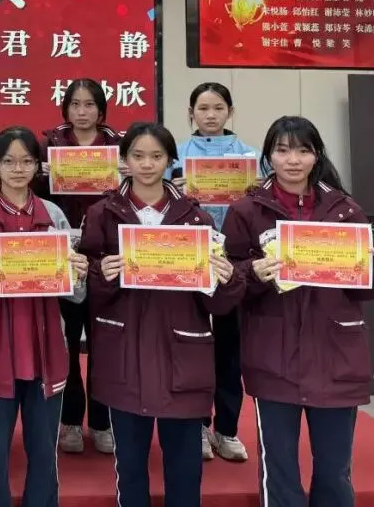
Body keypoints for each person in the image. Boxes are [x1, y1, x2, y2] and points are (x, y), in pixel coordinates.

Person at [221, 116, 374, 507]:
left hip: (337, 354)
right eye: (282, 150)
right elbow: (228, 279)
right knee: (280, 469)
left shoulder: (345, 210)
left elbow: (363, 286)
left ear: (317, 155)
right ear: (268, 156)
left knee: (335, 470)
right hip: (273, 354)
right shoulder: (246, 211)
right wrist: (251, 272)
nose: (293, 160)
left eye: (303, 150)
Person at [77, 122, 244, 507]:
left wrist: (224, 279)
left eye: (156, 156)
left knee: (185, 469)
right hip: (124, 354)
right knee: (131, 468)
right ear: (125, 160)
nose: (147, 164)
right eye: (138, 156)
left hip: (183, 356)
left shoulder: (197, 218)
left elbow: (217, 304)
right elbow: (87, 286)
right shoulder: (102, 213)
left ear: (171, 160)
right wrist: (101, 273)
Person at [0, 126, 89, 507]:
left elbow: (76, 294)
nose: (18, 169)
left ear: (37, 166)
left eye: (27, 161)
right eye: (9, 162)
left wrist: (78, 274)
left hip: (45, 347)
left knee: (44, 451)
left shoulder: (53, 214)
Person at [169, 82, 258, 462]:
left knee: (229, 350)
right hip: (187, 261)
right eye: (202, 108)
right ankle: (196, 427)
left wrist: (255, 191)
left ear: (230, 112)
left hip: (231, 264)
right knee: (191, 348)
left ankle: (227, 429)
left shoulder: (251, 158)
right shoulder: (175, 156)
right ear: (191, 113)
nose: (210, 115)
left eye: (218, 108)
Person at [40, 78, 118, 454]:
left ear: (101, 110)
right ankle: (70, 420)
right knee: (66, 342)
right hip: (63, 255)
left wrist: (124, 174)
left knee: (105, 344)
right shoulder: (49, 144)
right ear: (66, 108)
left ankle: (102, 422)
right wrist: (40, 175)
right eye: (75, 104)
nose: (82, 111)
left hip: (106, 256)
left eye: (89, 105)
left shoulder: (118, 146)